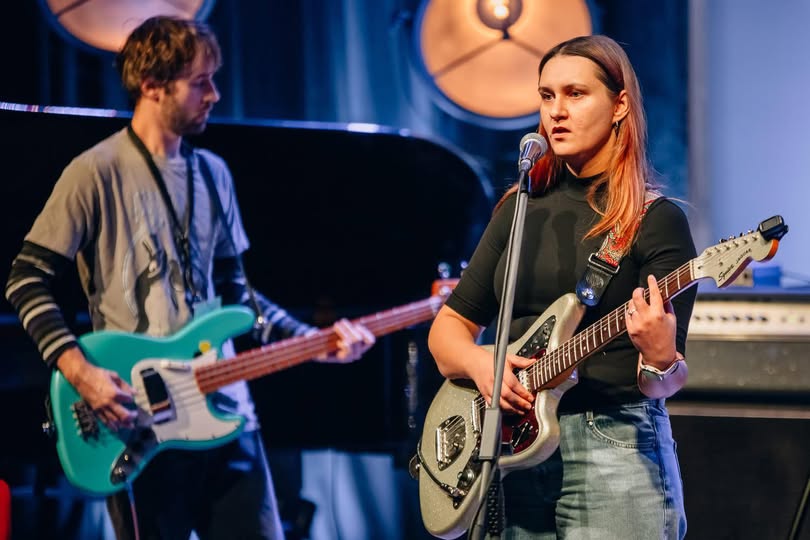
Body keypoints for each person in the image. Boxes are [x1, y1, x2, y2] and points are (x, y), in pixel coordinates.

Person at [4, 15, 375, 540]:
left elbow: (238, 297)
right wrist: (82, 373)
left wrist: (313, 342)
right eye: (201, 82)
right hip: (139, 422)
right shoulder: (94, 172)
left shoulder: (215, 173)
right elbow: (25, 279)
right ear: (153, 85)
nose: (215, 95)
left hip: (226, 410)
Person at [427, 34, 696, 539]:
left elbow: (666, 381)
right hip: (510, 447)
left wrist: (661, 359)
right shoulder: (519, 208)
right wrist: (479, 362)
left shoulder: (653, 221)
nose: (556, 111)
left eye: (575, 94)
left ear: (619, 105)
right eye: (547, 96)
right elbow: (447, 332)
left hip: (612, 443)